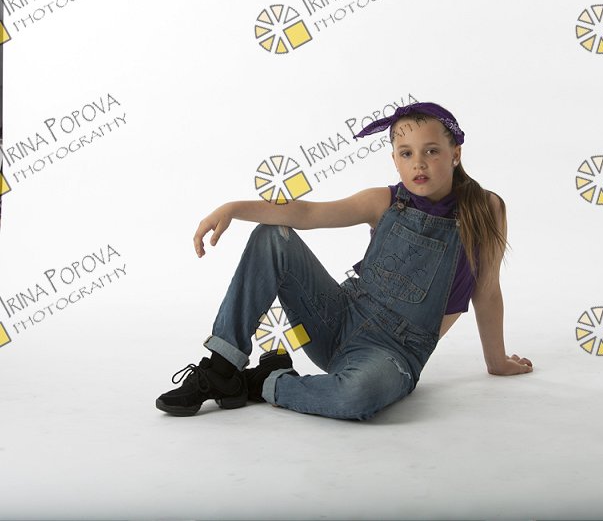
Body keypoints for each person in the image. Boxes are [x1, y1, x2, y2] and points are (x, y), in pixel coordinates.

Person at [155, 102, 533, 420]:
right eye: (406, 153)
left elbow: (487, 292)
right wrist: (234, 208)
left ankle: (266, 381)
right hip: (335, 318)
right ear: (395, 161)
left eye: (431, 151)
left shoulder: (486, 209)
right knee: (273, 236)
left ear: (456, 153)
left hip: (393, 353)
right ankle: (222, 368)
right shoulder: (383, 202)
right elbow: (306, 213)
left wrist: (497, 361)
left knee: (356, 396)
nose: (419, 163)